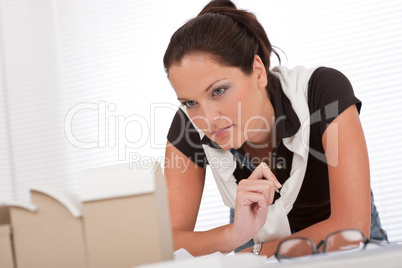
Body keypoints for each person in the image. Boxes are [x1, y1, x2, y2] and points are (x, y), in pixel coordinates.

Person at [163, 0, 387, 257]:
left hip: (343, 249)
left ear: (258, 72)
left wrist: (254, 253)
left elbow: (351, 230)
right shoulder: (189, 124)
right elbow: (169, 242)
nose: (208, 118)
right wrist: (236, 234)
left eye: (219, 91)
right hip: (258, 247)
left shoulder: (322, 93)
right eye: (190, 102)